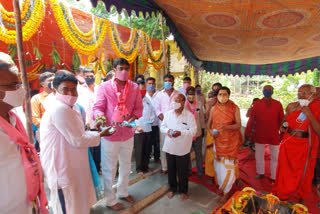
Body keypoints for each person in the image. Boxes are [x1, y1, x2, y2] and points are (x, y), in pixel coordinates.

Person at [40, 73, 113, 214]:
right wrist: (100, 134)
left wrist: (95, 130)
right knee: (68, 204)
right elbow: (78, 139)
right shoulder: (59, 108)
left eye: (73, 89)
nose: (71, 93)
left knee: (79, 202)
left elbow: (78, 133)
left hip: (74, 163)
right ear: (55, 91)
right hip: (62, 165)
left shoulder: (73, 108)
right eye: (65, 89)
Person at [0, 52, 48, 214]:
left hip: (28, 204)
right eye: (14, 84)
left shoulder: (15, 116)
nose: (20, 90)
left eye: (20, 83)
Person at [93, 58, 143, 210]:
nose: (124, 72)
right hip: (110, 133)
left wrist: (132, 118)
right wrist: (100, 119)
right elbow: (98, 107)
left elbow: (138, 108)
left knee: (127, 165)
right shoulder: (104, 87)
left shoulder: (134, 87)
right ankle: (110, 200)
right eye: (120, 68)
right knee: (109, 168)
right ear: (114, 70)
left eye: (126, 69)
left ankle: (123, 191)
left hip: (127, 132)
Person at [273, 84, 319, 204]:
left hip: (304, 147)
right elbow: (284, 122)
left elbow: (318, 131)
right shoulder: (291, 106)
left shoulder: (316, 107)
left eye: (305, 93)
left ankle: (300, 197)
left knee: (303, 174)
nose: (301, 95)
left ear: (313, 95)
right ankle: (282, 194)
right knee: (284, 172)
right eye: (299, 92)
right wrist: (282, 127)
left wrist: (309, 114)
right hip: (288, 143)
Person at [207, 87, 242, 203]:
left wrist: (226, 127)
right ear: (217, 96)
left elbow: (238, 125)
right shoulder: (213, 109)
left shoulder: (234, 108)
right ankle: (222, 187)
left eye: (225, 94)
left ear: (229, 95)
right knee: (219, 167)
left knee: (228, 167)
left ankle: (226, 193)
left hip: (230, 143)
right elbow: (208, 125)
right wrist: (211, 132)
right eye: (220, 94)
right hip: (218, 141)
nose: (222, 96)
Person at [161, 93, 197, 200]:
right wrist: (168, 131)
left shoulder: (189, 115)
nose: (175, 102)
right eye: (174, 100)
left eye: (178, 100)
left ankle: (183, 190)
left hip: (183, 149)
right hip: (170, 147)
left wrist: (181, 133)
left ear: (183, 102)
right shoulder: (167, 114)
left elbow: (193, 131)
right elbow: (162, 127)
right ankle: (172, 189)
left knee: (182, 171)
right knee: (171, 170)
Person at [245, 85, 284, 182]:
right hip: (259, 134)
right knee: (259, 155)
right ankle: (261, 173)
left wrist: (282, 134)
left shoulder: (278, 104)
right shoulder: (257, 104)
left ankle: (274, 177)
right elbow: (251, 119)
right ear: (262, 91)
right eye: (265, 90)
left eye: (269, 90)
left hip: (273, 134)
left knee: (275, 156)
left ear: (273, 91)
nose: (267, 91)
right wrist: (247, 133)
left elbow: (281, 119)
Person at [154, 74, 180, 174]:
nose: (167, 82)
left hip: (176, 126)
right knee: (164, 147)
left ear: (173, 82)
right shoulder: (159, 95)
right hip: (164, 127)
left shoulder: (178, 94)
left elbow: (180, 109)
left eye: (169, 81)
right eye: (166, 80)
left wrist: (173, 122)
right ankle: (164, 167)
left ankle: (174, 167)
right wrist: (166, 122)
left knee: (175, 147)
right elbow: (157, 110)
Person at [134, 80, 154, 175]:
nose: (143, 90)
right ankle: (139, 168)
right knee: (139, 150)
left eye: (144, 89)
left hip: (148, 128)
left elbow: (152, 112)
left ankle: (146, 166)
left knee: (147, 149)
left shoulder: (148, 100)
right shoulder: (133, 100)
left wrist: (152, 118)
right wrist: (136, 126)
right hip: (138, 129)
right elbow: (130, 116)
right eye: (141, 89)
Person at [185, 86, 205, 179]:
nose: (191, 96)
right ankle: (188, 170)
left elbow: (201, 117)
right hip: (188, 134)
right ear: (186, 95)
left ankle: (200, 171)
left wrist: (203, 128)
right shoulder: (183, 106)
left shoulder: (199, 104)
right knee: (187, 153)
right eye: (189, 94)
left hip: (198, 133)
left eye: (193, 94)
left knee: (198, 153)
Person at [204, 83, 222, 183]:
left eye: (218, 90)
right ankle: (211, 175)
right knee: (210, 154)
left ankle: (223, 175)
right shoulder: (209, 102)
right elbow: (206, 117)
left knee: (223, 154)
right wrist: (210, 105)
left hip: (223, 132)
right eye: (214, 90)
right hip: (211, 130)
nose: (215, 91)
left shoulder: (228, 103)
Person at [145, 77, 160, 163]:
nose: (151, 85)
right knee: (147, 143)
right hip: (147, 124)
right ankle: (147, 159)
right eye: (149, 83)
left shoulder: (159, 94)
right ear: (146, 84)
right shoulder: (144, 95)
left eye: (152, 84)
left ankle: (157, 158)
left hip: (157, 123)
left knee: (157, 142)